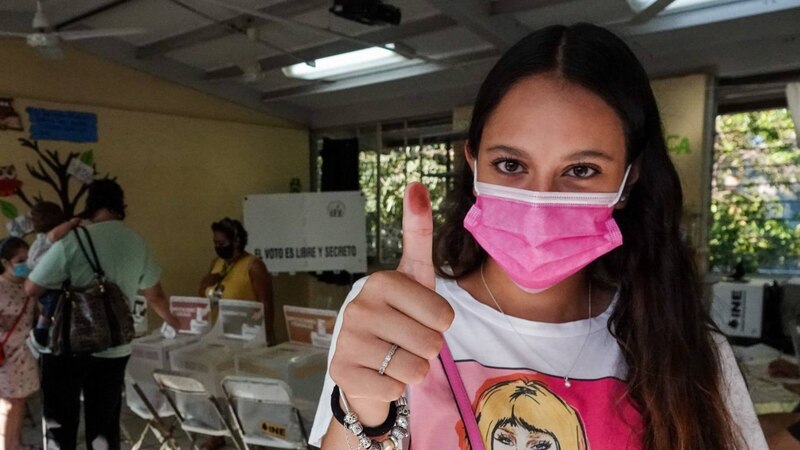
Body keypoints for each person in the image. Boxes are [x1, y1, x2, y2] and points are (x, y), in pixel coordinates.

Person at [310, 23, 767, 450]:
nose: (540, 203)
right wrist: (365, 413)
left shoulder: (687, 350)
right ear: (473, 165)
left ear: (628, 183)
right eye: (510, 165)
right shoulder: (394, 317)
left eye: (581, 170)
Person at [24, 179, 180, 450]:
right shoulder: (137, 242)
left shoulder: (74, 240)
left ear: (91, 207)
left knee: (60, 422)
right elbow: (154, 294)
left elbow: (32, 287)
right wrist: (173, 321)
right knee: (104, 426)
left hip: (67, 347)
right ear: (120, 207)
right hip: (113, 347)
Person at [198, 217, 274, 344]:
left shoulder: (253, 265)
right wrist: (207, 281)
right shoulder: (216, 263)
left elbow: (266, 305)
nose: (217, 247)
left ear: (236, 241)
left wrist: (266, 339)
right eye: (215, 243)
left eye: (221, 244)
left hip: (245, 337)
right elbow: (202, 296)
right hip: (217, 335)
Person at [26, 201, 80, 353]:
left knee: (52, 306)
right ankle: (40, 332)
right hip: (47, 280)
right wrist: (71, 223)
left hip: (43, 279)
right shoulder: (49, 236)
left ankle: (43, 331)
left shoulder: (41, 239)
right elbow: (56, 234)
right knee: (52, 304)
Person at [0, 237, 37, 450]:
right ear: (5, 262)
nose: (25, 264)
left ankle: (16, 444)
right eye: (19, 260)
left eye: (28, 258)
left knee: (20, 400)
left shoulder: (29, 285)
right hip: (5, 356)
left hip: (24, 354)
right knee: (7, 404)